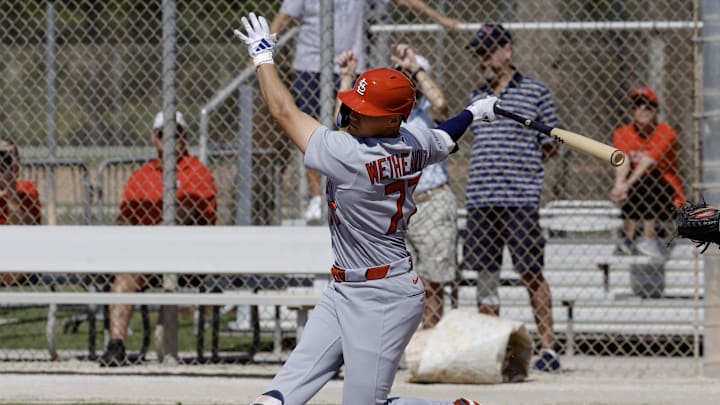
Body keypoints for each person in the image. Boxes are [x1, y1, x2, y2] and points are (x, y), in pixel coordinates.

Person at [235, 12, 495, 405]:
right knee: (275, 398)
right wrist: (474, 113)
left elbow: (284, 112)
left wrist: (263, 57)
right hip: (343, 289)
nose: (354, 113)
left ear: (391, 119)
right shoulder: (413, 141)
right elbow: (446, 135)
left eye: (366, 111)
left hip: (384, 295)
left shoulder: (349, 155)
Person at [270, 0, 460, 224]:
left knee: (353, 132)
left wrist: (439, 18)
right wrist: (264, 49)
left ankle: (349, 190)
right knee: (312, 129)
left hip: (351, 60)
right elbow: (283, 17)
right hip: (311, 63)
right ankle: (316, 197)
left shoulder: (421, 113)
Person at [463, 24, 561, 372]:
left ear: (507, 51)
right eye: (479, 52)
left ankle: (547, 349)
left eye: (489, 50)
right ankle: (493, 351)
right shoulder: (476, 96)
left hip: (519, 198)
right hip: (480, 199)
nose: (484, 58)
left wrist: (522, 164)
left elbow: (550, 145)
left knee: (531, 271)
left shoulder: (535, 92)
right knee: (486, 276)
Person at [99, 111, 218, 367]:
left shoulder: (198, 172)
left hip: (189, 258)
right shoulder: (141, 176)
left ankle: (164, 346)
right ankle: (116, 345)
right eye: (165, 134)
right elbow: (125, 219)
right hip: (144, 256)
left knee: (153, 267)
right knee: (124, 279)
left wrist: (158, 227)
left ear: (185, 137)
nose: (172, 139)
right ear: (155, 138)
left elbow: (195, 215)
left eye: (178, 134)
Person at [610, 86, 685, 257]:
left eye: (648, 105)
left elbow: (647, 163)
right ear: (631, 110)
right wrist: (619, 185)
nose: (643, 109)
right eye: (637, 105)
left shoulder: (666, 132)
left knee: (646, 180)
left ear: (656, 110)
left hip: (668, 196)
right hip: (636, 195)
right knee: (635, 181)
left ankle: (649, 238)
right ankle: (629, 240)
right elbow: (623, 161)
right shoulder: (623, 133)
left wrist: (625, 185)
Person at [0, 140, 41, 287]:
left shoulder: (26, 189)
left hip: (19, 259)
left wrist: (10, 190)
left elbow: (24, 228)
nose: (4, 162)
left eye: (9, 157)